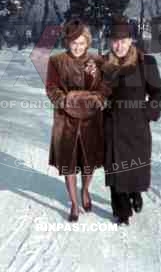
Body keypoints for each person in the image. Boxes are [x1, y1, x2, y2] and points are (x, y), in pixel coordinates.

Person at [101, 16, 161, 225]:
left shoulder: (145, 63)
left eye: (122, 40)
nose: (118, 45)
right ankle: (122, 212)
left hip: (136, 127)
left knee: (134, 170)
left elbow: (158, 93)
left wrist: (147, 113)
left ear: (131, 40)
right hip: (111, 126)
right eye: (114, 40)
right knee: (114, 168)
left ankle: (136, 192)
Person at [46, 19, 109, 222]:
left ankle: (86, 191)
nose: (78, 47)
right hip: (66, 120)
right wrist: (65, 100)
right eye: (74, 42)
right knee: (70, 163)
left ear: (88, 42)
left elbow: (104, 88)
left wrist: (98, 99)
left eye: (82, 43)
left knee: (88, 162)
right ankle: (74, 203)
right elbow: (51, 88)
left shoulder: (97, 61)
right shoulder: (56, 61)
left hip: (91, 119)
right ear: (67, 42)